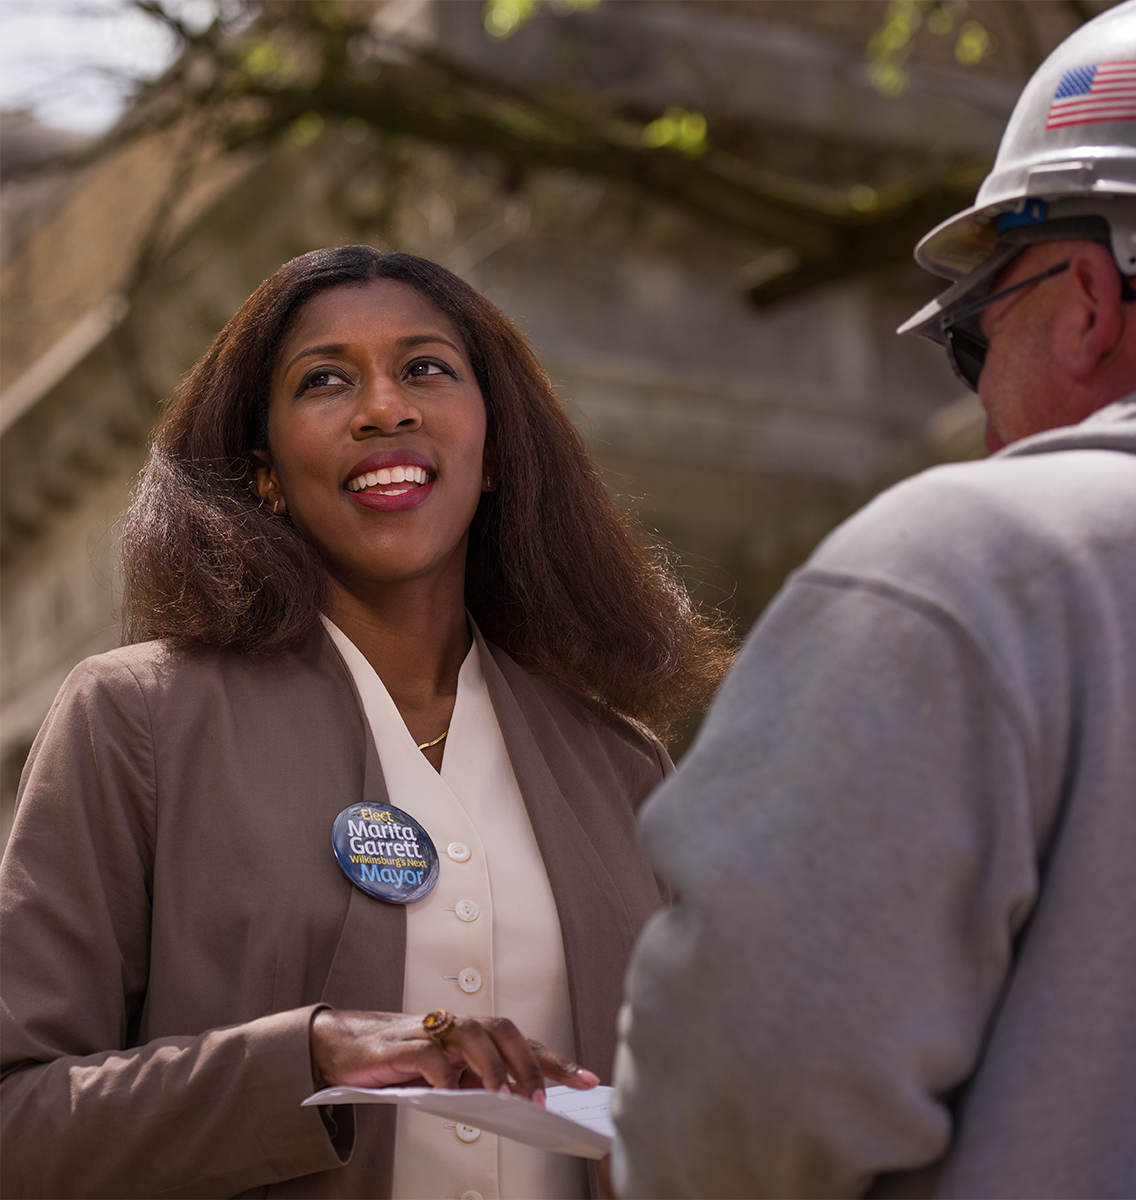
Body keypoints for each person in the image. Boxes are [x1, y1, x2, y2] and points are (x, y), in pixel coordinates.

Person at [609, 3, 1136, 1198]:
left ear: (1088, 296)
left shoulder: (979, 567)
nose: (986, 420)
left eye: (976, 341)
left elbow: (747, 1093)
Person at [0, 246, 730, 1200]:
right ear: (263, 472)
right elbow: (18, 1120)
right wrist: (308, 1059)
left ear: (497, 449)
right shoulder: (137, 720)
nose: (385, 407)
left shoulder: (620, 766)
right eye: (325, 381)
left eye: (426, 368)